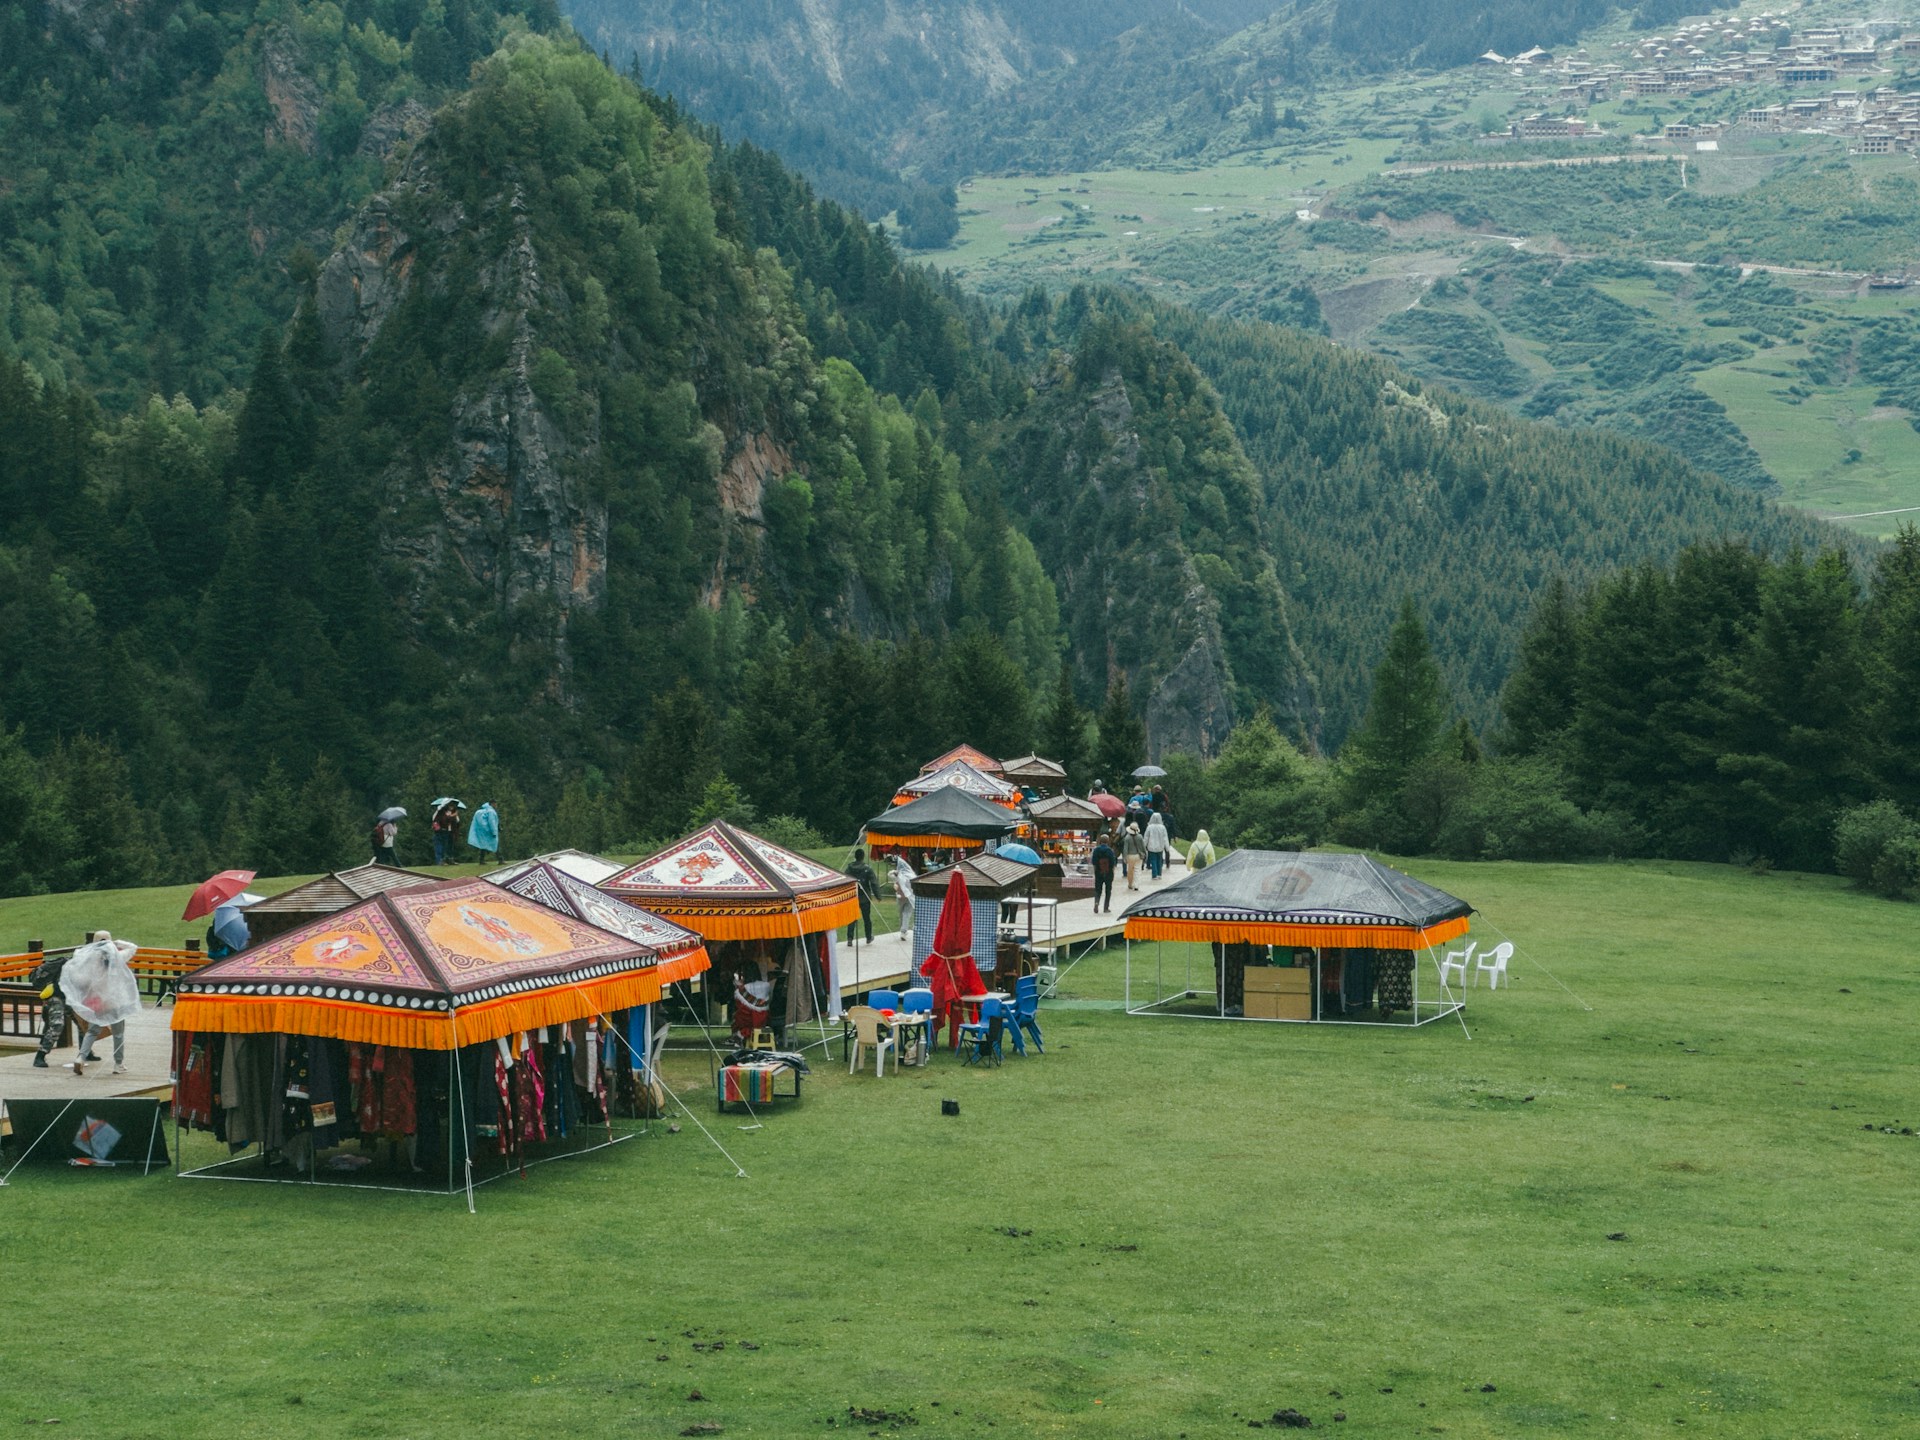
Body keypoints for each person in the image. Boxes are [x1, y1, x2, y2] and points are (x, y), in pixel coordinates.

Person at [63, 931, 142, 1077]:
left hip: (97, 1000)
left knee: (92, 1030)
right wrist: (116, 943)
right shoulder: (117, 956)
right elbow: (133, 947)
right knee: (118, 1033)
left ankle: (80, 1057)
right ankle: (118, 1064)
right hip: (115, 1000)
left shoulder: (86, 958)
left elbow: (79, 978)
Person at [28, 947, 70, 1068]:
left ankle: (86, 1052)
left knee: (84, 1022)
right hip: (56, 996)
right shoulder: (71, 965)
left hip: (71, 997)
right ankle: (40, 1056)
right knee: (57, 1024)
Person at [845, 846, 879, 944]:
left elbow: (845, 880)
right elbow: (874, 883)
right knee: (866, 918)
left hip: (853, 896)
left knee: (852, 918)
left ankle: (850, 939)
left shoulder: (849, 868)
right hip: (865, 897)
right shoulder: (867, 869)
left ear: (855, 857)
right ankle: (868, 937)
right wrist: (877, 895)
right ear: (863, 857)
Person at [1090, 832, 1118, 913]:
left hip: (1098, 871)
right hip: (1108, 872)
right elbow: (1113, 863)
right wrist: (1112, 871)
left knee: (1098, 889)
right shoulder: (1110, 851)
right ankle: (1106, 908)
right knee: (1108, 890)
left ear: (1100, 841)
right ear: (1107, 841)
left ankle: (1096, 902)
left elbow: (1094, 862)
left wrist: (1096, 870)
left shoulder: (1096, 850)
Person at [431, 799, 462, 865]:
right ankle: (440, 861)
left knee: (450, 846)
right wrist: (452, 816)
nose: (452, 807)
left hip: (451, 831)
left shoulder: (454, 812)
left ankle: (450, 859)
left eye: (453, 805)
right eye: (450, 805)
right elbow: (443, 820)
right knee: (441, 846)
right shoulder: (441, 812)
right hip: (442, 831)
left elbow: (457, 822)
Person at [892, 856, 916, 940]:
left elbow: (895, 884)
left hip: (900, 897)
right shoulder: (912, 875)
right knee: (907, 913)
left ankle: (903, 930)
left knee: (902, 913)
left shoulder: (898, 874)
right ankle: (903, 930)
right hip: (909, 897)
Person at [1144, 811, 1170, 881]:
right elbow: (1165, 838)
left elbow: (1146, 837)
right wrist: (1167, 848)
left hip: (1151, 847)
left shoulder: (1149, 827)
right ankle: (1159, 874)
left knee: (1153, 861)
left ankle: (1154, 875)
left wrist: (1144, 846)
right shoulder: (1162, 827)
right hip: (1160, 847)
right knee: (1159, 860)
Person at [1121, 821, 1146, 890]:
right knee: (1137, 870)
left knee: (1130, 871)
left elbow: (1125, 849)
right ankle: (1136, 885)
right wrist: (1145, 853)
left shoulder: (1127, 838)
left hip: (1130, 856)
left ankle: (1130, 884)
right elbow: (1143, 847)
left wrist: (1124, 857)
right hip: (1138, 855)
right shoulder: (1140, 837)